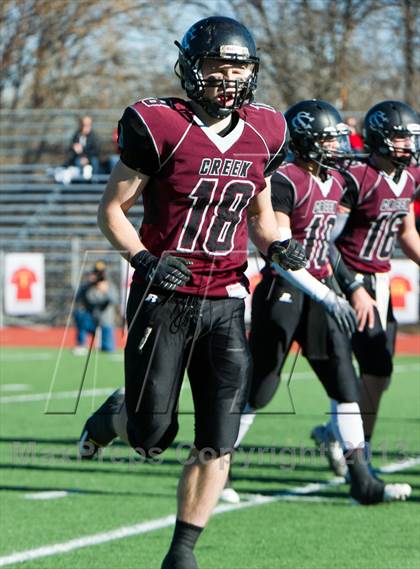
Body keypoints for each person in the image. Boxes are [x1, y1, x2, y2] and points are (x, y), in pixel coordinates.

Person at [78, 17, 308, 569]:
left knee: (218, 439)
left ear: (252, 73)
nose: (228, 78)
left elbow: (261, 217)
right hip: (166, 296)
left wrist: (279, 244)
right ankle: (115, 416)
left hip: (228, 296)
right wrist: (144, 259)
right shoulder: (159, 124)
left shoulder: (267, 131)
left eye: (238, 68)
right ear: (191, 68)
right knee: (151, 435)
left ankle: (182, 551)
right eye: (216, 66)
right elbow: (113, 209)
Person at [227, 99, 412, 506]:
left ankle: (361, 477)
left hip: (323, 293)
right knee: (262, 389)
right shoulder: (285, 180)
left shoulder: (332, 181)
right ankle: (218, 464)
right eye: (329, 140)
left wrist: (344, 285)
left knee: (346, 387)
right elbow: (283, 251)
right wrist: (330, 295)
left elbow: (326, 247)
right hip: (285, 292)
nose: (338, 148)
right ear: (307, 140)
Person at [312, 100, 420, 475]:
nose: (408, 144)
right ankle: (356, 454)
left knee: (380, 373)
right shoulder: (355, 176)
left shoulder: (409, 176)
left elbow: (406, 232)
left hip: (381, 282)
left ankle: (344, 440)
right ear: (380, 138)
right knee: (353, 369)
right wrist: (352, 284)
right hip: (345, 281)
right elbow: (325, 238)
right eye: (400, 136)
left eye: (411, 137)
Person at [73, 261, 118, 354]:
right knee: (80, 313)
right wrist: (89, 284)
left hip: (105, 321)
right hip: (92, 319)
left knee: (108, 349)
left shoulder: (110, 286)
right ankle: (81, 344)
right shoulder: (88, 286)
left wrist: (105, 291)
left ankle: (102, 343)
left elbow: (114, 300)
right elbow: (79, 298)